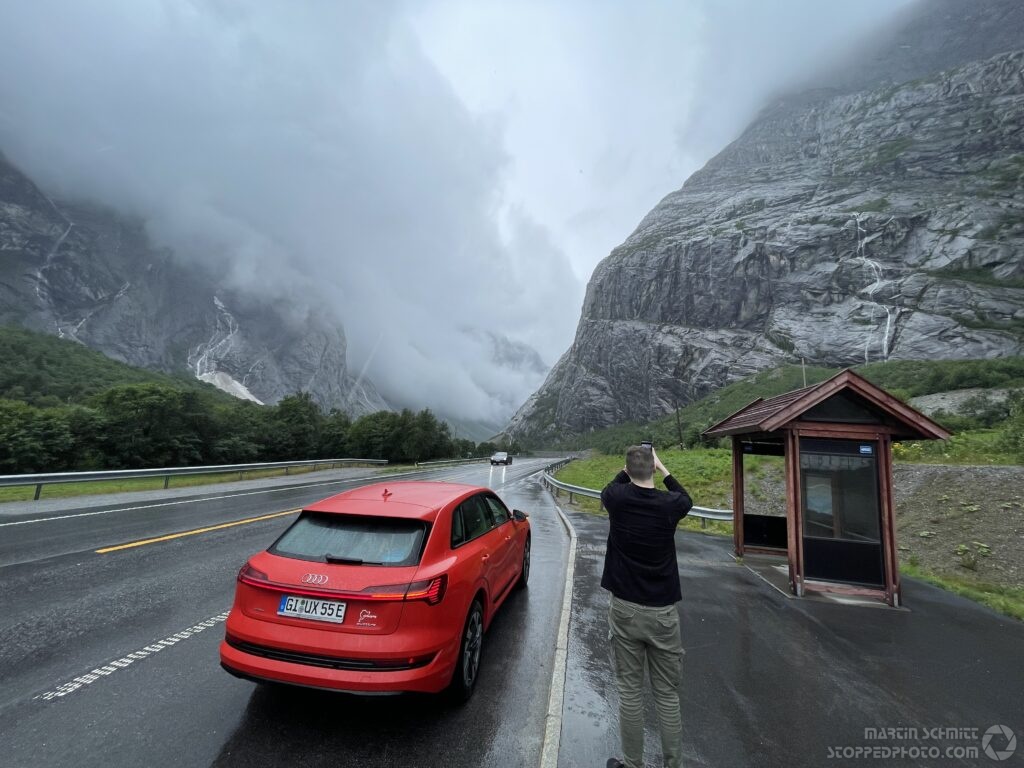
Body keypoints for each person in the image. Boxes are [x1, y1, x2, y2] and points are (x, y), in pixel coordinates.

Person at [601, 444, 693, 768]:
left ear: (628, 471)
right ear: (652, 469)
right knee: (667, 696)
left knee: (630, 693)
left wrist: (630, 469)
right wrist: (663, 468)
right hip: (662, 614)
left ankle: (633, 763)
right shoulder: (671, 505)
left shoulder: (617, 499)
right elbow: (686, 498)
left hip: (625, 609)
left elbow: (609, 488)